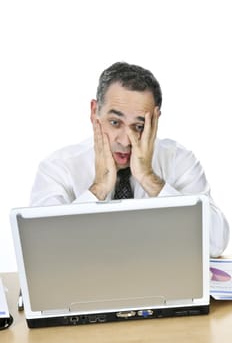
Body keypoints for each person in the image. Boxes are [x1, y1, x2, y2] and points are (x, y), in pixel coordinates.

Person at [30, 61, 229, 257]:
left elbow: (216, 243)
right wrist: (98, 188)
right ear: (94, 112)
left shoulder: (179, 160)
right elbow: (44, 251)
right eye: (115, 122)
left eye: (139, 126)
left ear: (156, 120)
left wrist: (150, 179)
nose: (125, 141)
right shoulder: (58, 167)